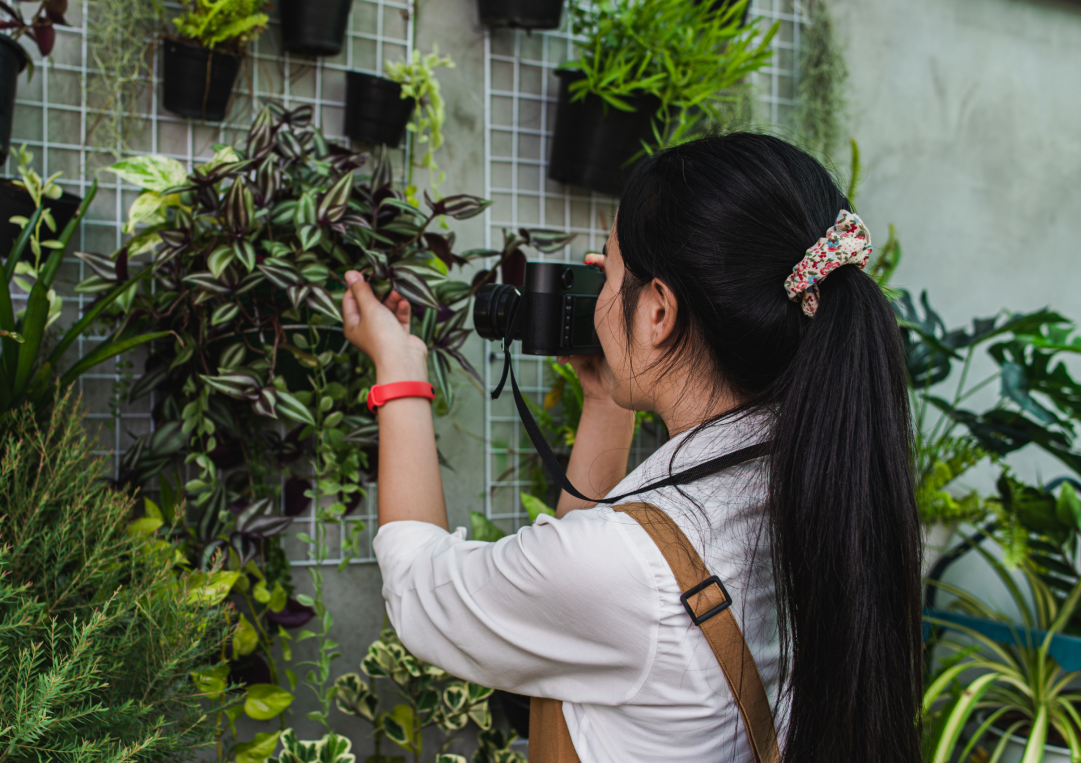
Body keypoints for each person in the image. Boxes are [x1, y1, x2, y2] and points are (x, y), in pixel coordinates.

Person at [340, 133, 922, 763]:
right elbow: (590, 600)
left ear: (658, 313)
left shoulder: (629, 567)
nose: (599, 304)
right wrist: (605, 402)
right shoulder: (817, 477)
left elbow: (419, 589)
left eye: (612, 274)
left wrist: (399, 371)